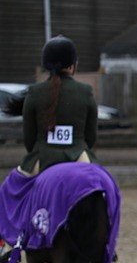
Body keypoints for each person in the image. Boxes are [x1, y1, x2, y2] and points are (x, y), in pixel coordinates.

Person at [19, 36, 98, 176]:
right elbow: (91, 137)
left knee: (12, 190)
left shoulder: (34, 92)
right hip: (78, 157)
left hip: (41, 159)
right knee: (102, 186)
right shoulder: (86, 92)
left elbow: (29, 140)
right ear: (72, 66)